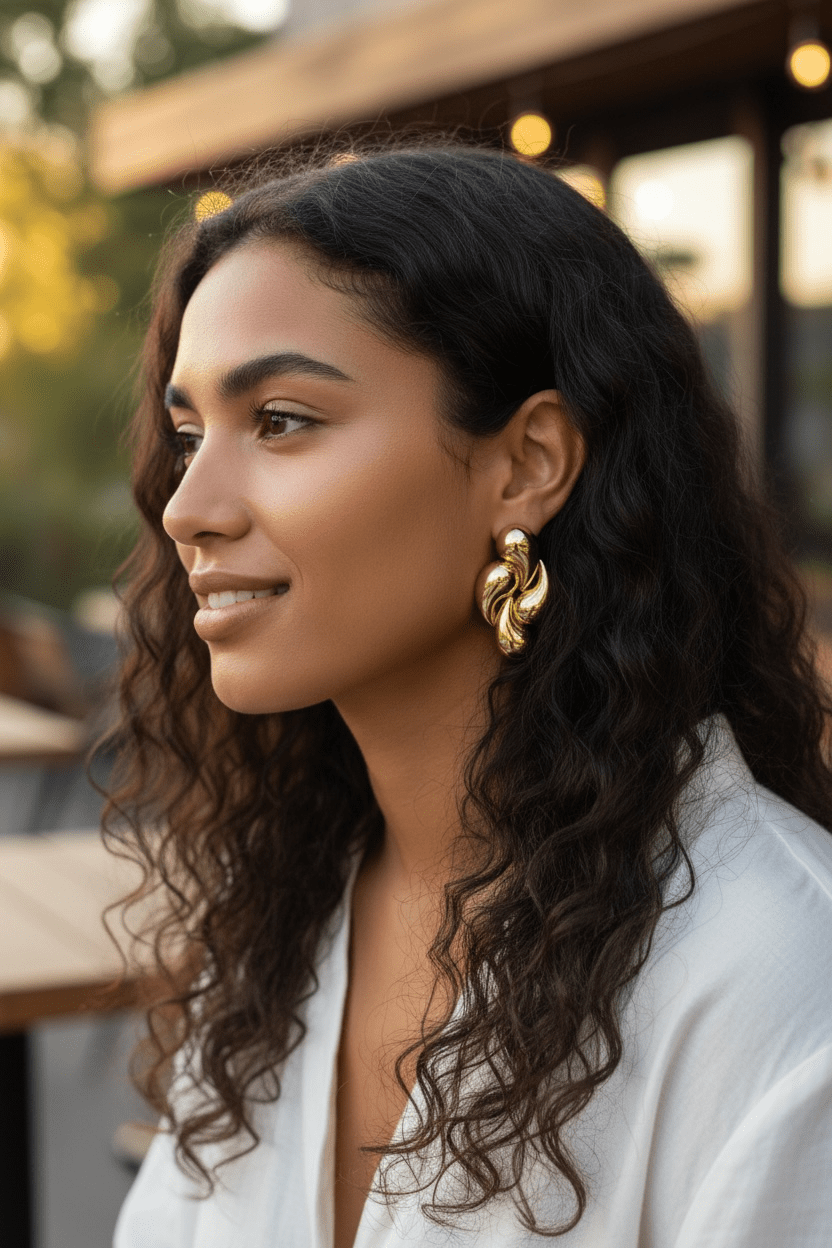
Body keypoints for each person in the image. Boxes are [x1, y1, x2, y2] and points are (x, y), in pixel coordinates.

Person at [108, 140, 832, 1248]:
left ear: (527, 464)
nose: (186, 506)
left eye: (283, 421)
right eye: (191, 433)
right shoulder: (292, 912)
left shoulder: (780, 984)